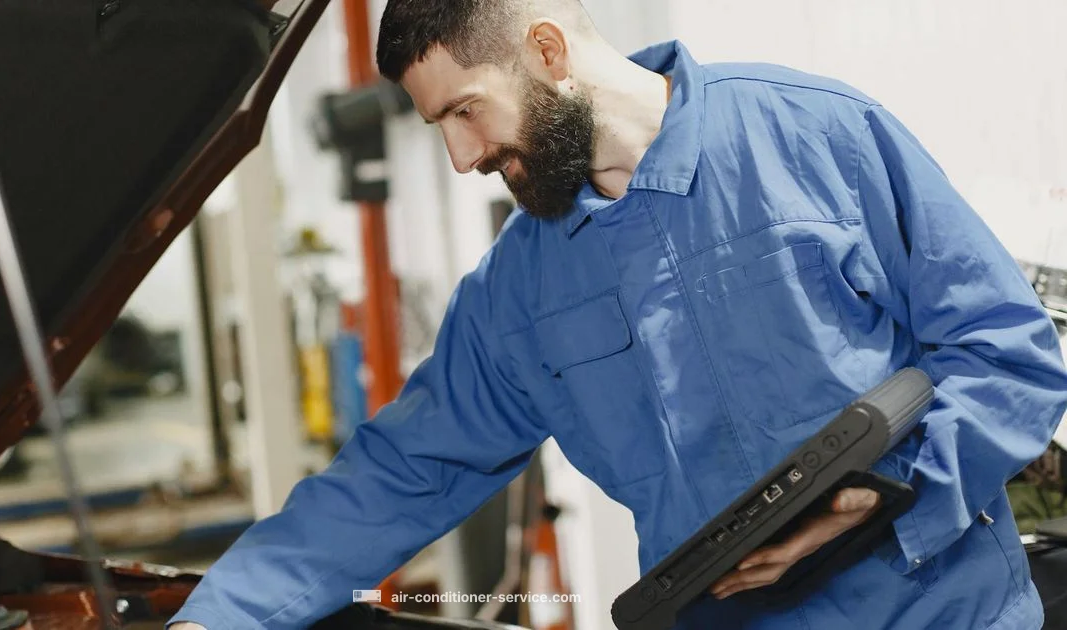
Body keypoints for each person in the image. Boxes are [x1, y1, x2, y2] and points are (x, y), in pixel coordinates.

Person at [168, 1, 1067, 628]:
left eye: (466, 112)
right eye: (438, 126)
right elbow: (402, 471)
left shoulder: (816, 137)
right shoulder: (516, 295)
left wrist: (890, 502)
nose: (460, 157)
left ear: (549, 52)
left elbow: (1007, 352)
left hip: (945, 612)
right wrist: (221, 614)